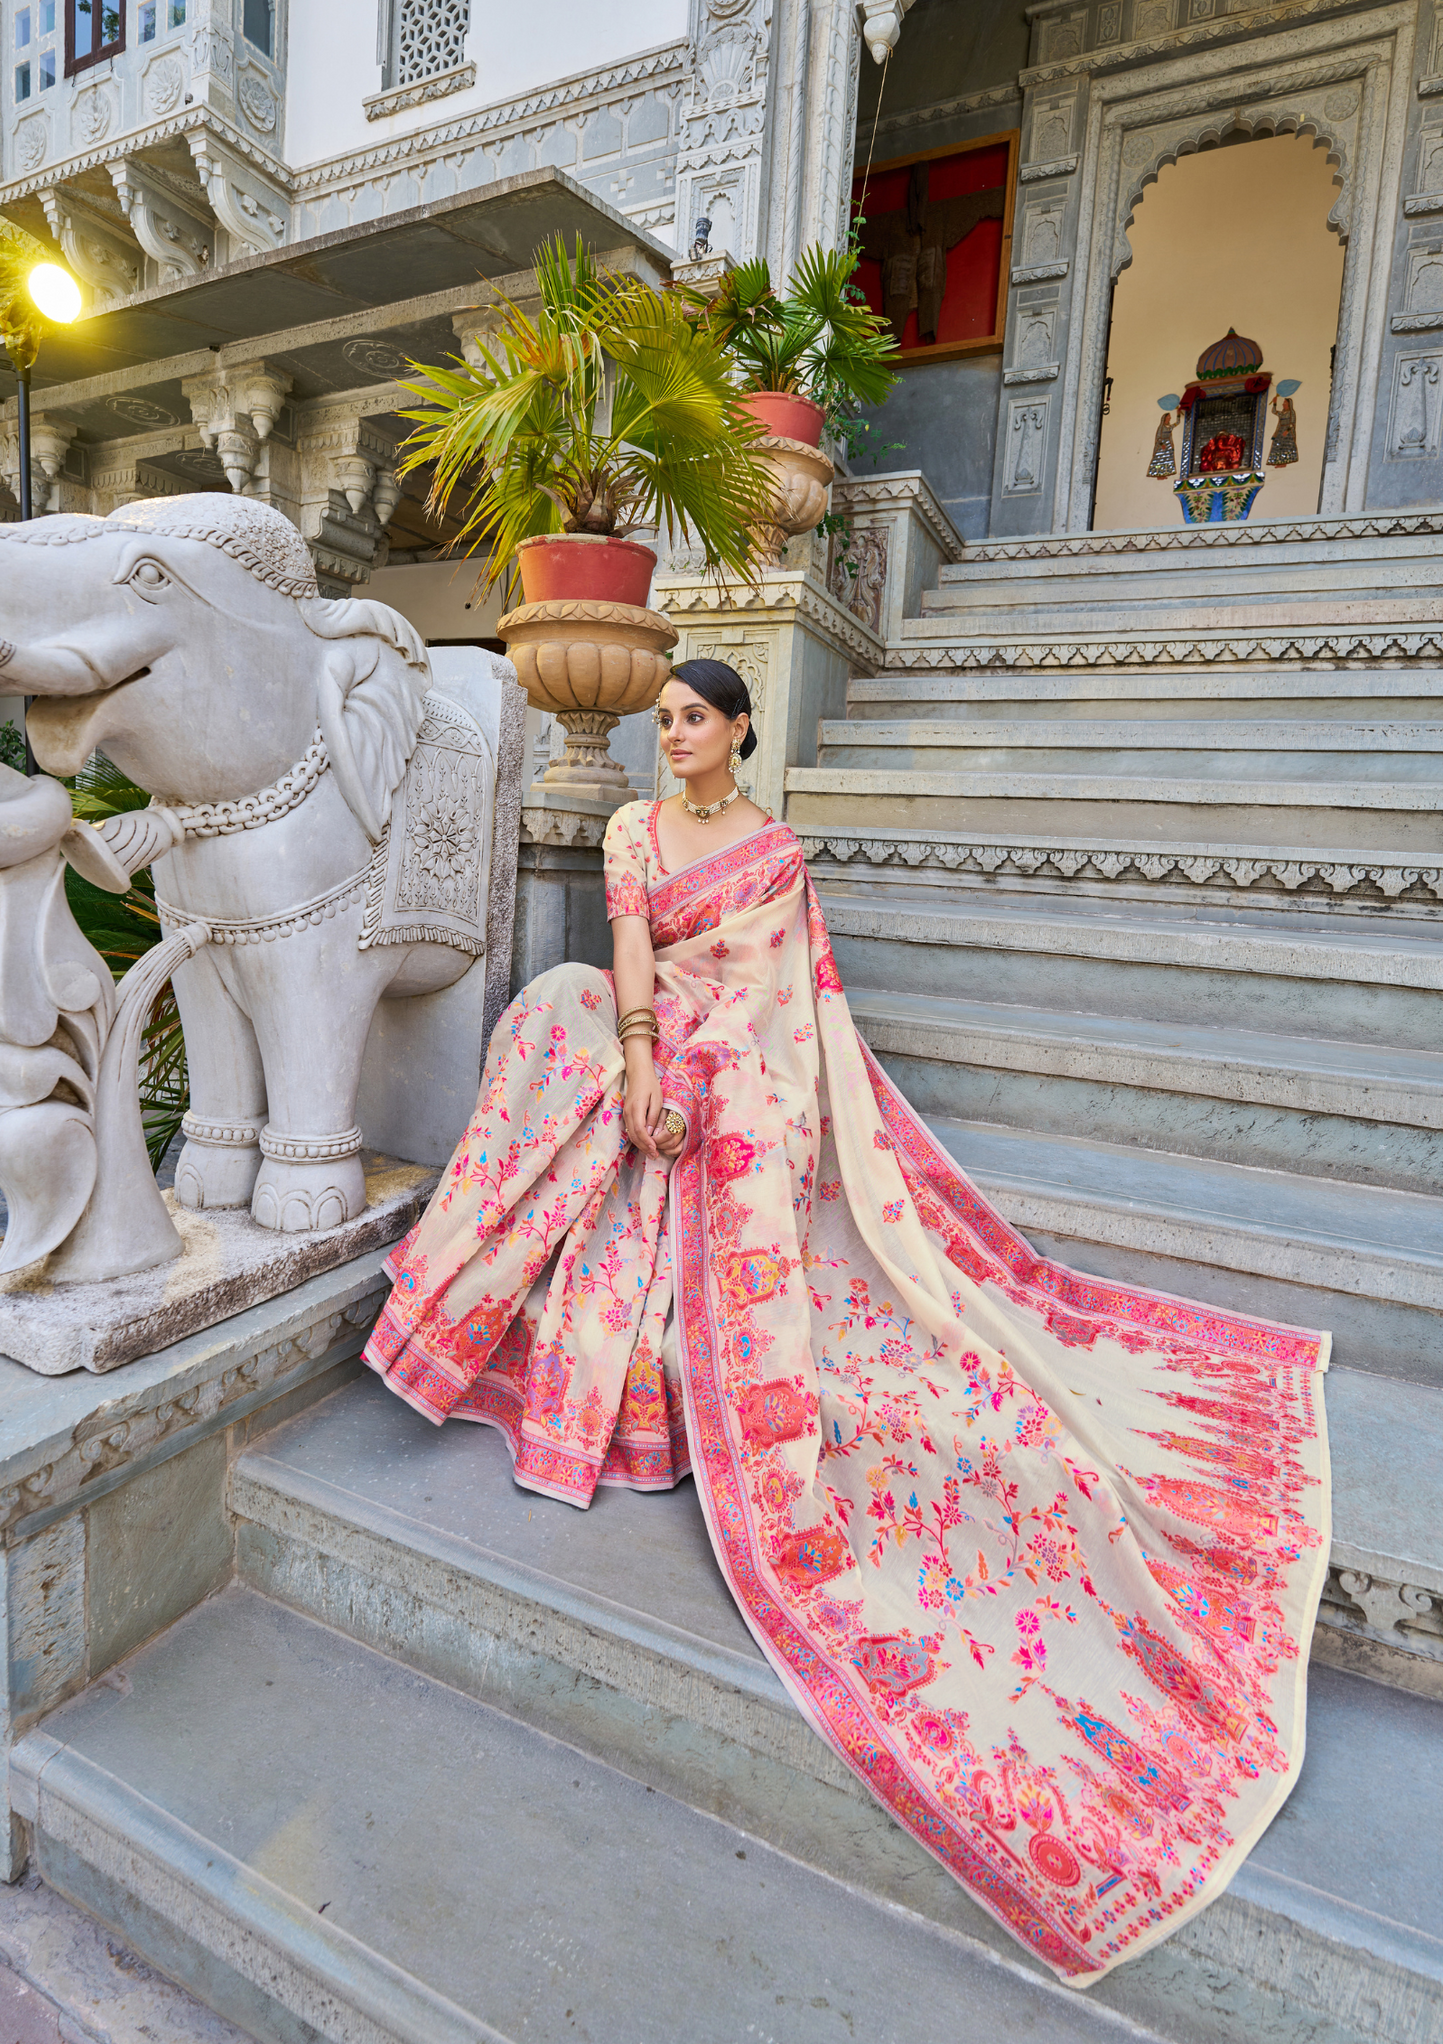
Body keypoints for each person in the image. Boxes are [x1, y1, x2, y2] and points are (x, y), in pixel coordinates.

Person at [363, 658, 1329, 1988]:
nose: (674, 735)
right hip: (658, 1031)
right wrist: (646, 1057)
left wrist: (711, 1073)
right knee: (558, 1011)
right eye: (664, 719)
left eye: (694, 718)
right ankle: (462, 1313)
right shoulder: (633, 829)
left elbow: (782, 1009)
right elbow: (630, 948)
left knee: (752, 1121)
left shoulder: (772, 853)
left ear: (740, 729)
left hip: (743, 1059)